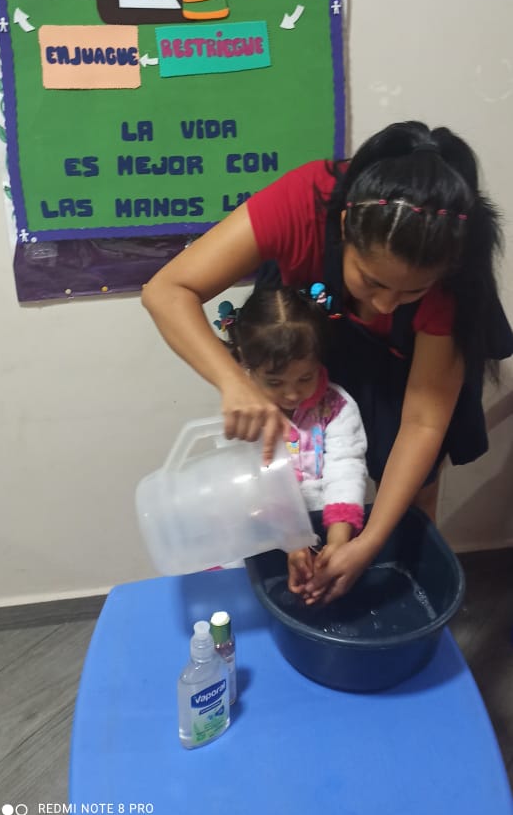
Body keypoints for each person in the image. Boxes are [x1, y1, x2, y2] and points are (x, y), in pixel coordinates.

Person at [142, 120, 513, 601]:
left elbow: (422, 422)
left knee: (415, 481)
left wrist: (369, 543)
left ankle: (410, 586)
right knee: (293, 457)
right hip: (316, 327)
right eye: (373, 281)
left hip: (406, 358)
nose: (385, 304)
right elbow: (167, 290)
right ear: (342, 230)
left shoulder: (453, 285)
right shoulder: (305, 201)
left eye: (412, 291)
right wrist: (234, 382)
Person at [216, 285, 369, 603]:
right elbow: (246, 484)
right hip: (262, 533)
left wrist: (338, 541)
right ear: (246, 363)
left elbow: (346, 468)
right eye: (275, 382)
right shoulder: (245, 415)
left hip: (325, 529)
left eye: (305, 378)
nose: (291, 394)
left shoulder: (337, 408)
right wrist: (290, 538)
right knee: (249, 599)